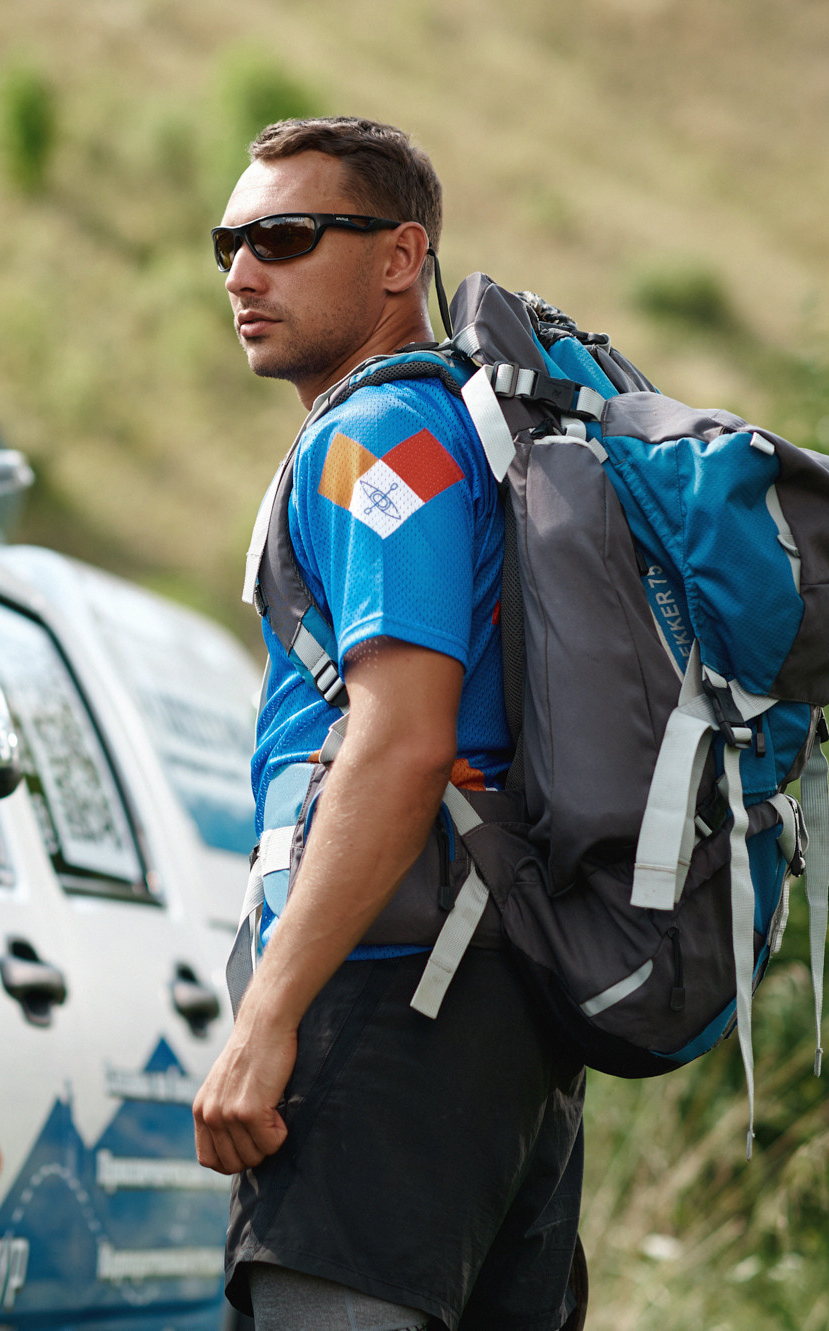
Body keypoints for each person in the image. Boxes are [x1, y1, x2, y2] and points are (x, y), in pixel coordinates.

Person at [191, 118, 585, 1331]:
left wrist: (267, 1017)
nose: (242, 273)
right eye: (227, 245)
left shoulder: (382, 437)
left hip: (391, 1002)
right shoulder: (463, 432)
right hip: (500, 1017)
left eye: (286, 236)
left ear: (398, 256)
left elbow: (400, 737)